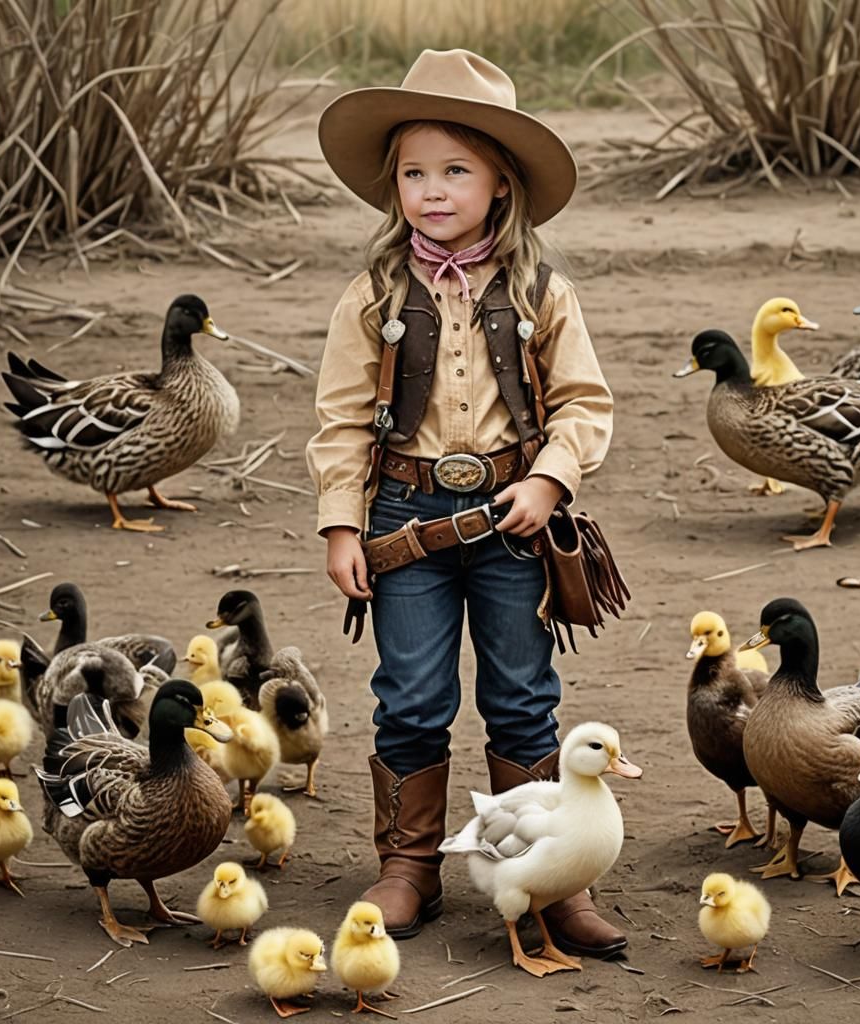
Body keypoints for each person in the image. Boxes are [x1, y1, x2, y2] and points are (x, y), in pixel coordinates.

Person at [306, 49, 619, 957]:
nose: (431, 190)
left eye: (455, 171)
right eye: (413, 172)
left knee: (524, 698)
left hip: (515, 524)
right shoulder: (370, 295)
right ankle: (409, 866)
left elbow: (585, 404)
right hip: (403, 522)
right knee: (409, 695)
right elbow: (336, 420)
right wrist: (339, 524)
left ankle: (549, 875)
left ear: (501, 185)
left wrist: (549, 478)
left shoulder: (543, 291)